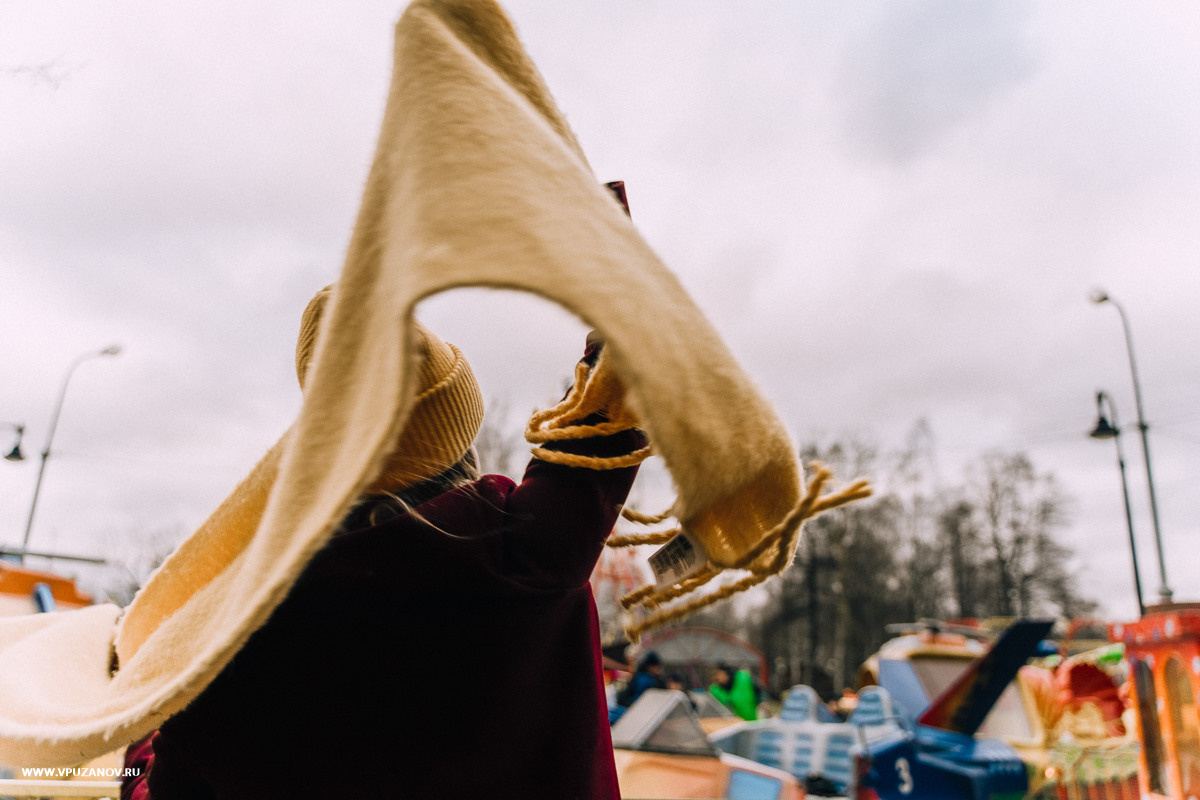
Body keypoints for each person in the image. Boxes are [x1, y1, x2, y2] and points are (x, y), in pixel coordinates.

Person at [121, 286, 646, 800]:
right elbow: (622, 382)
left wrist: (138, 741)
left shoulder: (232, 647)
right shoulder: (529, 549)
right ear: (455, 442)